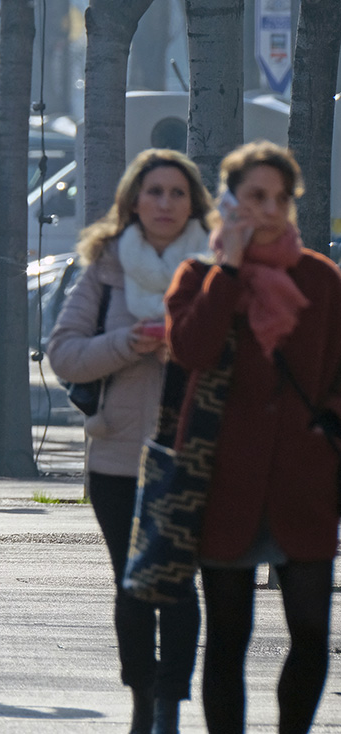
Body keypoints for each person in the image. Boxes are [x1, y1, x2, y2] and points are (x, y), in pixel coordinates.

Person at [166, 141, 341, 734]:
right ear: (231, 201)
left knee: (313, 632)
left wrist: (327, 429)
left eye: (278, 197)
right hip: (225, 484)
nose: (267, 208)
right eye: (254, 196)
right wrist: (230, 272)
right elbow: (191, 350)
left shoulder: (321, 279)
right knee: (228, 640)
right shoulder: (200, 276)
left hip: (305, 482)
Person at [46, 148, 213, 734]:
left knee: (180, 580)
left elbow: (243, 355)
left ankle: (171, 700)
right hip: (118, 455)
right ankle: (143, 698)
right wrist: (127, 343)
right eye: (154, 192)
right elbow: (63, 353)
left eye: (176, 193)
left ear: (193, 202)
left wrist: (187, 342)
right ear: (133, 203)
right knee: (133, 582)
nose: (165, 203)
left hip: (194, 451)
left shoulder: (218, 266)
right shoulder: (106, 266)